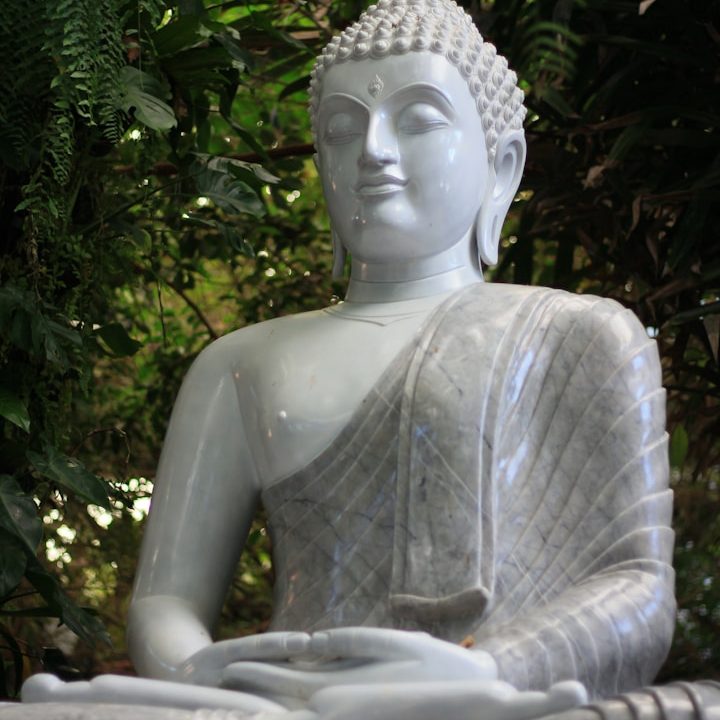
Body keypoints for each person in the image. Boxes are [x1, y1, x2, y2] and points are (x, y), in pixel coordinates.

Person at [20, 1, 676, 718]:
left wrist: (485, 668)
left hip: (494, 696)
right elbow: (166, 602)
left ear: (501, 164)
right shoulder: (239, 363)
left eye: (417, 119)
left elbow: (638, 588)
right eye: (341, 128)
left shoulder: (579, 334)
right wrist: (204, 672)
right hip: (282, 699)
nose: (373, 151)